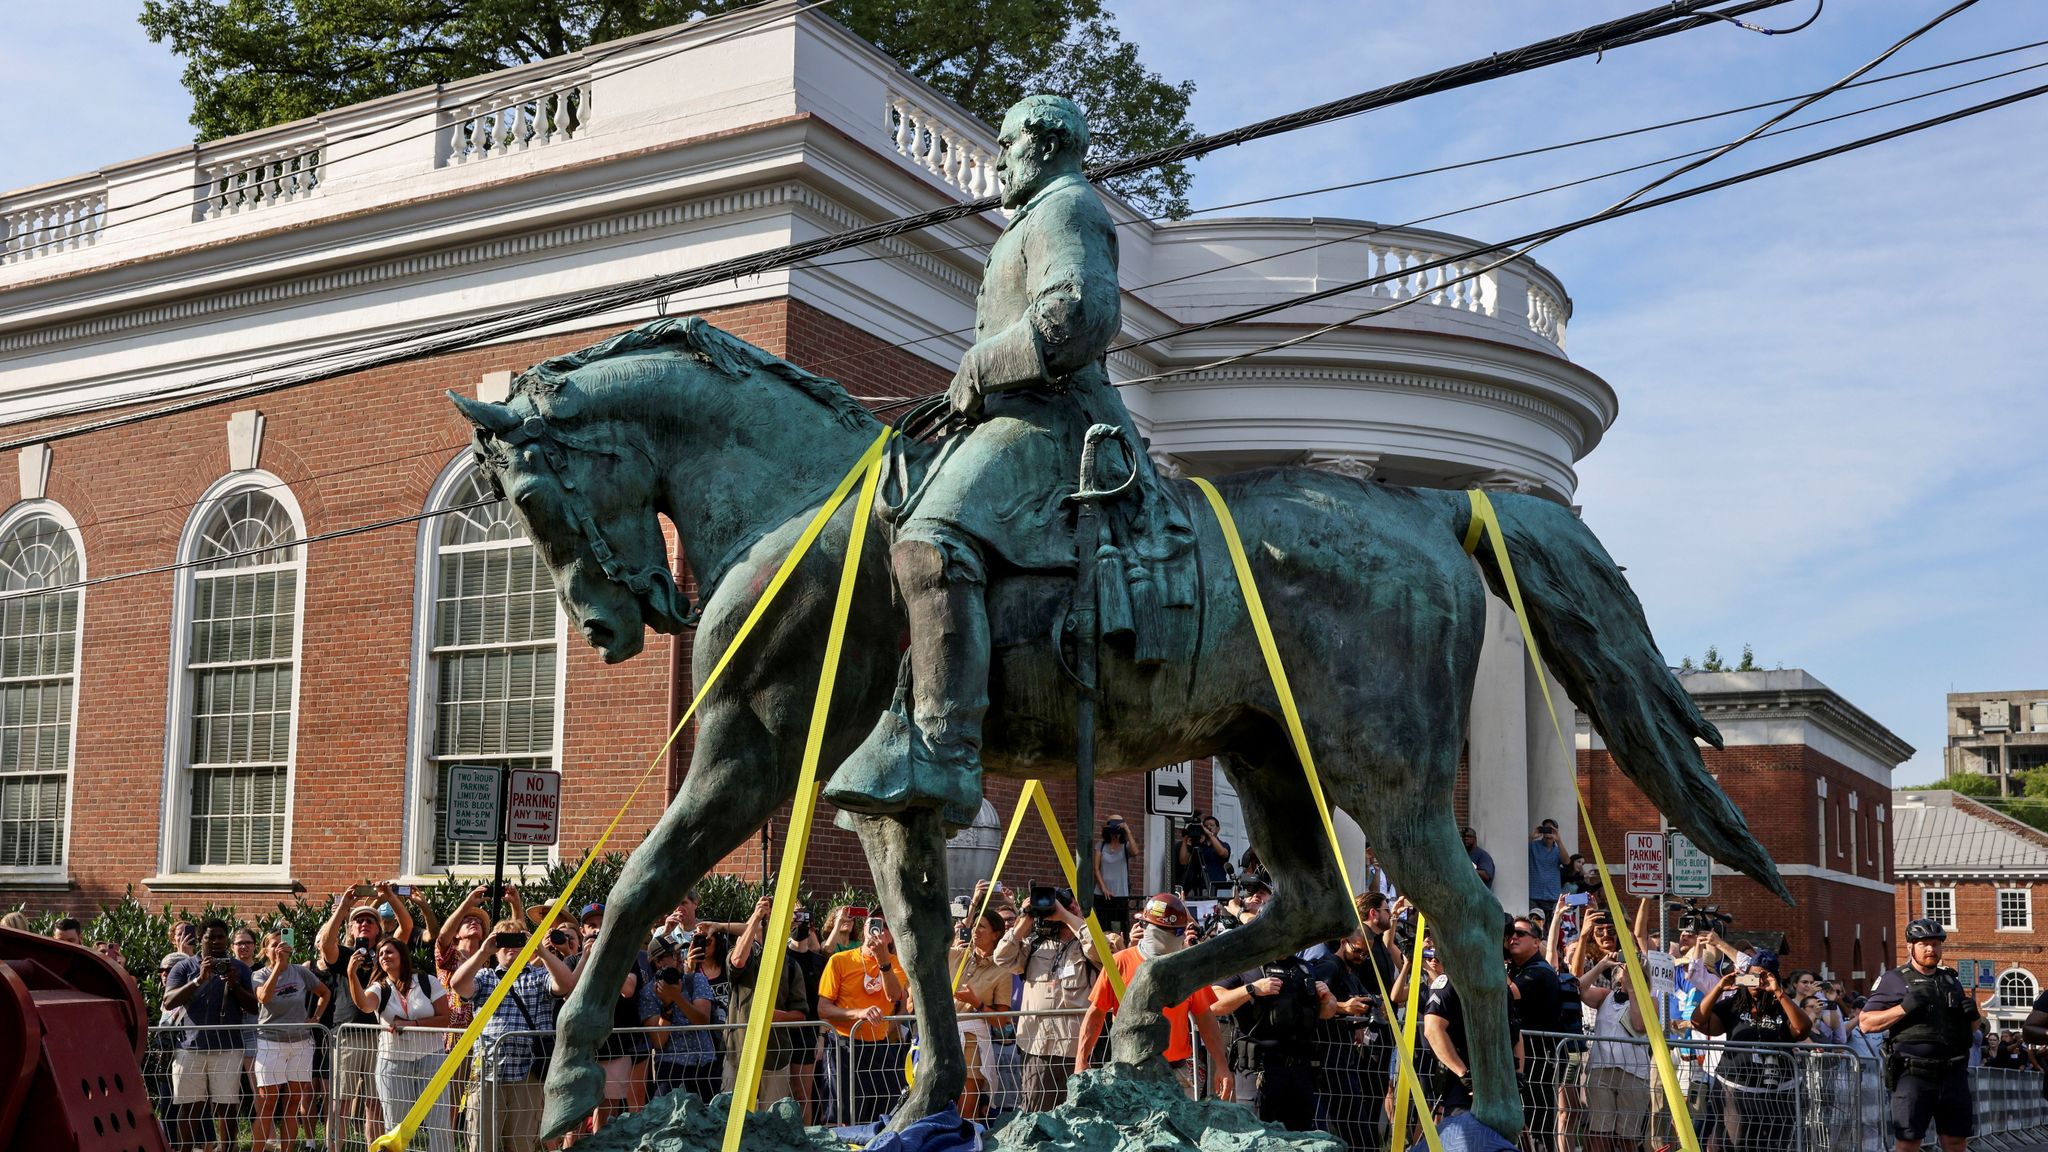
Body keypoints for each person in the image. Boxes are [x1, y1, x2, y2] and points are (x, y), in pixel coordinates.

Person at [823, 93, 1188, 822]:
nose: (995, 160)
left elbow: (1079, 314)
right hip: (1019, 415)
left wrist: (981, 368)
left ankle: (949, 750)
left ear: (1045, 144)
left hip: (1057, 422)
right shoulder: (1034, 216)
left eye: (1005, 143)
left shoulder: (1066, 207)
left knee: (931, 541)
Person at [1074, 893, 1231, 1100]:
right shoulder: (1119, 964)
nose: (1169, 938)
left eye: (1174, 932)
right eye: (1162, 931)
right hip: (1130, 1073)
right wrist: (1081, 1061)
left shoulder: (1186, 967)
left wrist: (1222, 1066)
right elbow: (1096, 1014)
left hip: (1176, 1073)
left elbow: (1205, 1017)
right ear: (1144, 927)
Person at [451, 918, 577, 1152]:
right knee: (481, 1144)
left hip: (528, 1073)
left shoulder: (539, 976)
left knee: (521, 1145)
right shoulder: (485, 976)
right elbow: (457, 984)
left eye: (517, 940)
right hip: (487, 1072)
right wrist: (482, 952)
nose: (511, 947)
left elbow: (566, 983)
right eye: (503, 941)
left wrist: (540, 950)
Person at [1859, 918, 1981, 1152]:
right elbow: (1866, 1023)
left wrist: (1973, 1016)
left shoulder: (1950, 981)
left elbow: (1971, 1031)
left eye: (1935, 944)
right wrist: (1904, 1007)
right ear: (1910, 947)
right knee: (1908, 1142)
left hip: (1953, 1073)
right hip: (1913, 1074)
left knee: (1956, 1141)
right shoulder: (1893, 979)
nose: (1930, 949)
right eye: (1924, 944)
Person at [993, 883, 1098, 1112]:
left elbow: (1103, 952)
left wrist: (1068, 916)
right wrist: (1025, 919)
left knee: (1077, 1116)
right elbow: (1001, 958)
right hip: (1037, 1048)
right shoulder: (1034, 944)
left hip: (1076, 1050)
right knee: (1036, 1114)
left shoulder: (1085, 943)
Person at [1694, 948, 1809, 1152]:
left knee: (1774, 1147)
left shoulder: (1782, 1005)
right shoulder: (1733, 1004)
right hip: (1735, 1089)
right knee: (1733, 1145)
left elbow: (1801, 1029)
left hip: (1779, 1093)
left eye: (1763, 975)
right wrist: (1719, 988)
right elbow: (1698, 1021)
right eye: (1752, 974)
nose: (1756, 980)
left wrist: (1778, 992)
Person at [1307, 893, 1397, 1152]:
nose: (1361, 958)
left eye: (1365, 955)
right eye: (1357, 951)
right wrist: (1345, 1007)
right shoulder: (1329, 965)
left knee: (1360, 1129)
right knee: (1352, 1129)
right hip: (1328, 1058)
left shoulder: (1350, 971)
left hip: (1344, 1057)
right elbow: (1313, 997)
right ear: (1344, 942)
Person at [345, 936, 452, 1152]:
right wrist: (351, 974)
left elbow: (446, 1018)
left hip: (431, 1057)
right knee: (396, 1127)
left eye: (390, 952)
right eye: (381, 953)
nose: (384, 956)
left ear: (402, 955)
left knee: (439, 1124)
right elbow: (365, 1005)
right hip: (392, 1062)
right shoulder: (379, 987)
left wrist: (413, 1023)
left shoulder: (426, 981)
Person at [163, 918, 259, 1152]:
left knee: (227, 1107)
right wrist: (199, 980)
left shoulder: (240, 968)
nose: (216, 941)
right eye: (210, 937)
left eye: (220, 937)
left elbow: (254, 1008)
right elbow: (168, 1001)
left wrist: (235, 984)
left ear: (227, 939)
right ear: (200, 939)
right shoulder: (184, 967)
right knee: (190, 1106)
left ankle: (228, 1148)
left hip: (228, 1048)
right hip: (190, 1048)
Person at [818, 912, 909, 1124]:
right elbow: (823, 1009)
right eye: (873, 924)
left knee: (886, 1107)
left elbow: (893, 996)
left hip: (879, 1046)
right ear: (865, 928)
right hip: (843, 1045)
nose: (878, 930)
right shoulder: (839, 960)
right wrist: (859, 1013)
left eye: (885, 926)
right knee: (841, 1113)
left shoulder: (896, 963)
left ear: (891, 936)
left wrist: (883, 960)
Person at [314, 891, 388, 1149]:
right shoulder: (344, 954)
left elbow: (408, 928)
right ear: (351, 927)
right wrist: (344, 906)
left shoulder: (386, 955)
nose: (364, 923)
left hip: (380, 1036)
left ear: (379, 929)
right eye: (359, 920)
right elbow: (325, 945)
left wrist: (390, 895)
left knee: (375, 1104)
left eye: (370, 920)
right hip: (346, 1036)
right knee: (339, 1103)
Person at [723, 896, 811, 1107]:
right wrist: (755, 917)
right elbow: (737, 961)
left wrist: (773, 1016)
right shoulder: (742, 951)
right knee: (729, 1116)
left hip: (775, 1056)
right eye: (768, 916)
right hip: (738, 1051)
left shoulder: (790, 965)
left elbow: (800, 1013)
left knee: (771, 1121)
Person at [249, 929, 328, 1152]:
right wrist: (277, 967)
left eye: (283, 944)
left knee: (293, 1103)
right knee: (268, 1102)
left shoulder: (301, 973)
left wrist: (315, 1017)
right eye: (274, 945)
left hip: (301, 1043)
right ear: (265, 950)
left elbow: (325, 993)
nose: (279, 948)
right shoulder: (259, 974)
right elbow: (263, 997)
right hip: (270, 1043)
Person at [947, 906, 1013, 1120]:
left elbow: (1002, 1021)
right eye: (974, 925)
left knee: (965, 1110)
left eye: (981, 927)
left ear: (996, 935)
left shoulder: (1002, 971)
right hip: (944, 1037)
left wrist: (977, 1003)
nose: (975, 931)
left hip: (972, 1042)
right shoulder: (955, 955)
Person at [1579, 952, 1649, 1152]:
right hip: (1602, 1070)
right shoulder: (1605, 996)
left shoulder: (1650, 1001)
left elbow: (1638, 1024)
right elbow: (1581, 989)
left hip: (1634, 1074)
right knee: (1600, 1134)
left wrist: (1634, 989)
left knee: (1628, 1137)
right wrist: (1601, 965)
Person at [1504, 913, 1563, 1151]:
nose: (1513, 938)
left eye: (1520, 934)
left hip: (1537, 1060)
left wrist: (1495, 957)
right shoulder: (1516, 970)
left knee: (1537, 1121)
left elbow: (1507, 994)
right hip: (1519, 1059)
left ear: (1536, 942)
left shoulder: (1540, 971)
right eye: (1510, 934)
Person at [648, 933, 721, 1103]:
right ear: (658, 962)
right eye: (673, 956)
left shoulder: (696, 980)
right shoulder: (647, 993)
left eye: (680, 954)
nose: (680, 959)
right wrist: (667, 1007)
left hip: (704, 1065)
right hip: (670, 1067)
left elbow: (702, 1021)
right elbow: (659, 1041)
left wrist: (676, 997)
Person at [1175, 814, 1231, 898]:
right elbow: (1183, 861)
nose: (1208, 827)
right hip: (1197, 889)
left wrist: (1210, 835)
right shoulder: (1197, 845)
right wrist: (1186, 839)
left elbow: (1223, 853)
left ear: (1218, 829)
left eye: (1211, 825)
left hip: (1217, 888)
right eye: (1205, 826)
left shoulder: (1224, 845)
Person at [1094, 816, 1133, 935]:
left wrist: (1127, 831)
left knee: (1120, 928)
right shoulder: (1101, 845)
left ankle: (1119, 949)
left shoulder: (1125, 846)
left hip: (1121, 893)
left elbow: (1135, 851)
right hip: (1102, 894)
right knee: (1103, 927)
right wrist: (1104, 888)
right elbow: (1096, 868)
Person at [1528, 820, 1563, 908]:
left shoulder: (1558, 849)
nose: (1548, 831)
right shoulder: (1533, 845)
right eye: (1546, 828)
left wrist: (1558, 840)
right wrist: (1531, 837)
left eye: (1551, 829)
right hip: (1535, 895)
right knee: (1535, 921)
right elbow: (1520, 854)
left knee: (1553, 921)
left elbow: (1567, 862)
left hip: (1552, 895)